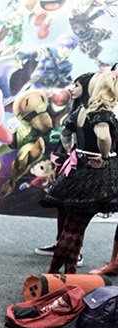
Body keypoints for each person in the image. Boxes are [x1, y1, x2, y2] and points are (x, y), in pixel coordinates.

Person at [43, 71, 118, 274]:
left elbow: (66, 133)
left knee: (73, 229)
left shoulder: (83, 110)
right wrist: (105, 157)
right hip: (93, 177)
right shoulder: (102, 113)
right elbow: (103, 137)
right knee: (73, 230)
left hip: (77, 171)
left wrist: (74, 152)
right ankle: (52, 276)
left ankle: (68, 275)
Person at [35, 72, 93, 262]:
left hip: (84, 168)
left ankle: (75, 251)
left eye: (77, 85)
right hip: (69, 165)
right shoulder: (77, 108)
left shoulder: (94, 111)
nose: (72, 89)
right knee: (63, 206)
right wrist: (56, 163)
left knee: (77, 210)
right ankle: (61, 244)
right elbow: (64, 139)